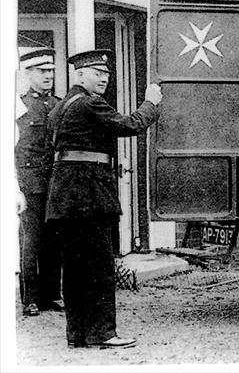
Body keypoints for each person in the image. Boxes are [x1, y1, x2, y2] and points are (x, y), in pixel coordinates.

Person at [46, 49, 162, 349]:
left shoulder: (59, 107)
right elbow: (131, 125)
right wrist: (152, 102)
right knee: (98, 267)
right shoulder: (89, 103)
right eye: (97, 73)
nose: (104, 79)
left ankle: (78, 335)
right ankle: (103, 333)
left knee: (73, 269)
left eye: (106, 74)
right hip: (91, 198)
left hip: (66, 199)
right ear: (79, 74)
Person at [15, 47, 64, 317]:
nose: (48, 76)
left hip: (53, 182)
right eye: (42, 72)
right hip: (30, 182)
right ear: (29, 73)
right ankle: (30, 299)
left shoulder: (57, 104)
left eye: (51, 72)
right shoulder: (20, 105)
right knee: (31, 242)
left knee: (53, 239)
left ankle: (51, 295)